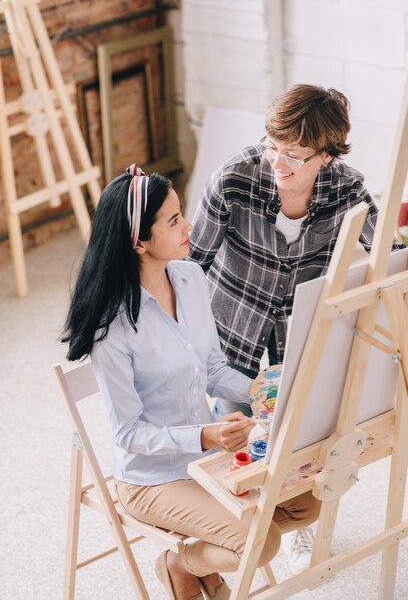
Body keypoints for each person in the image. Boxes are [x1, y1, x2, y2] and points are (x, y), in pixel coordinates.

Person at [61, 165, 321, 600]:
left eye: (182, 214)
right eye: (174, 221)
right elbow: (130, 434)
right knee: (262, 542)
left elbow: (214, 370)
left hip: (204, 464)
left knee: (306, 501)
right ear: (138, 241)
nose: (190, 227)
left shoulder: (191, 278)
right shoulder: (112, 329)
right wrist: (205, 435)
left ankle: (194, 557)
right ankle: (180, 563)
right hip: (150, 480)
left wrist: (273, 389)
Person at [188, 84, 403, 575]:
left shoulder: (347, 188)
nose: (277, 163)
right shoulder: (235, 178)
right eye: (272, 146)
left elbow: (390, 256)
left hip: (300, 333)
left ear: (325, 157)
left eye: (294, 155)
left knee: (299, 436)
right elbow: (190, 264)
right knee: (236, 431)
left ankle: (294, 524)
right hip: (233, 324)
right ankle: (230, 534)